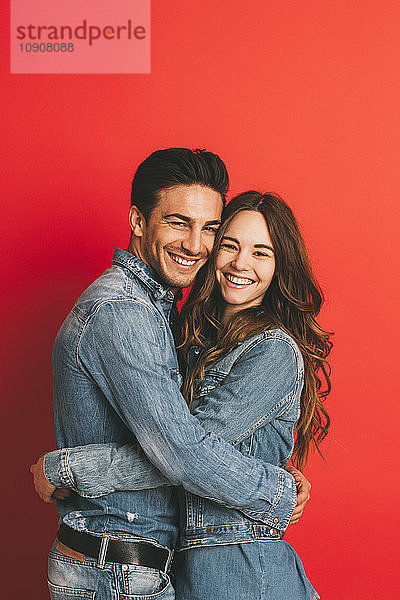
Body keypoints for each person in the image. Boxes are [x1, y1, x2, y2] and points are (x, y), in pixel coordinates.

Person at [30, 150, 311, 600]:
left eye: (210, 229)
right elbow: (183, 450)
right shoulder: (128, 313)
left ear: (281, 267)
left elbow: (185, 448)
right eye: (179, 222)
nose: (196, 244)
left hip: (193, 567)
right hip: (119, 564)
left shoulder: (247, 343)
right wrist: (274, 489)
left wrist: (68, 468)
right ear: (138, 221)